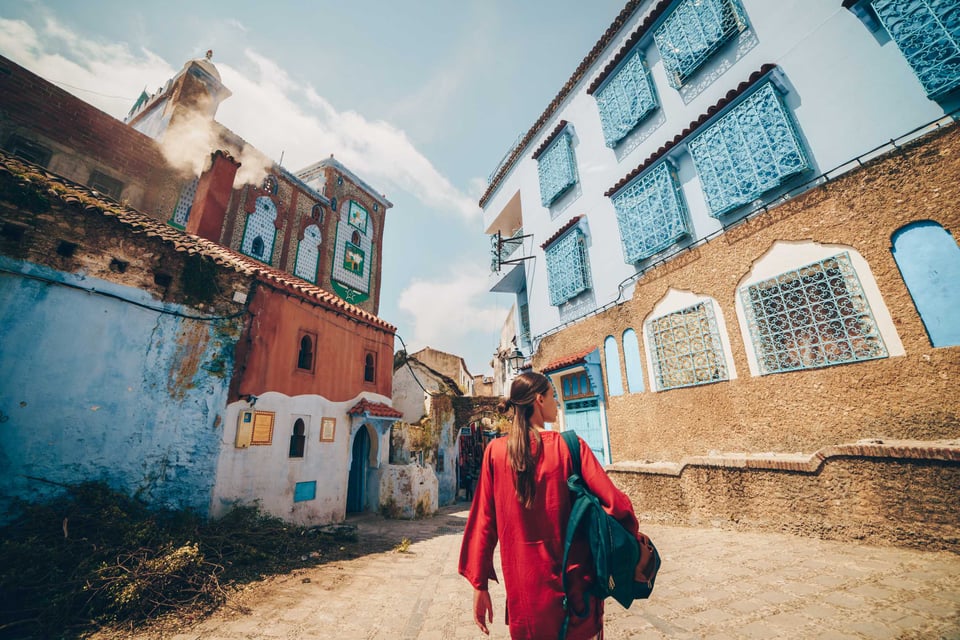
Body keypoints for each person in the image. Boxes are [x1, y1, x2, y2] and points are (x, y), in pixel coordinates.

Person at [458, 371, 643, 640]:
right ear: (539, 400)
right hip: (577, 597)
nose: (556, 402)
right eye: (553, 396)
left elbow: (483, 523)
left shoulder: (495, 454)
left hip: (525, 602)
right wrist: (633, 540)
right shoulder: (570, 447)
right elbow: (617, 506)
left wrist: (479, 586)